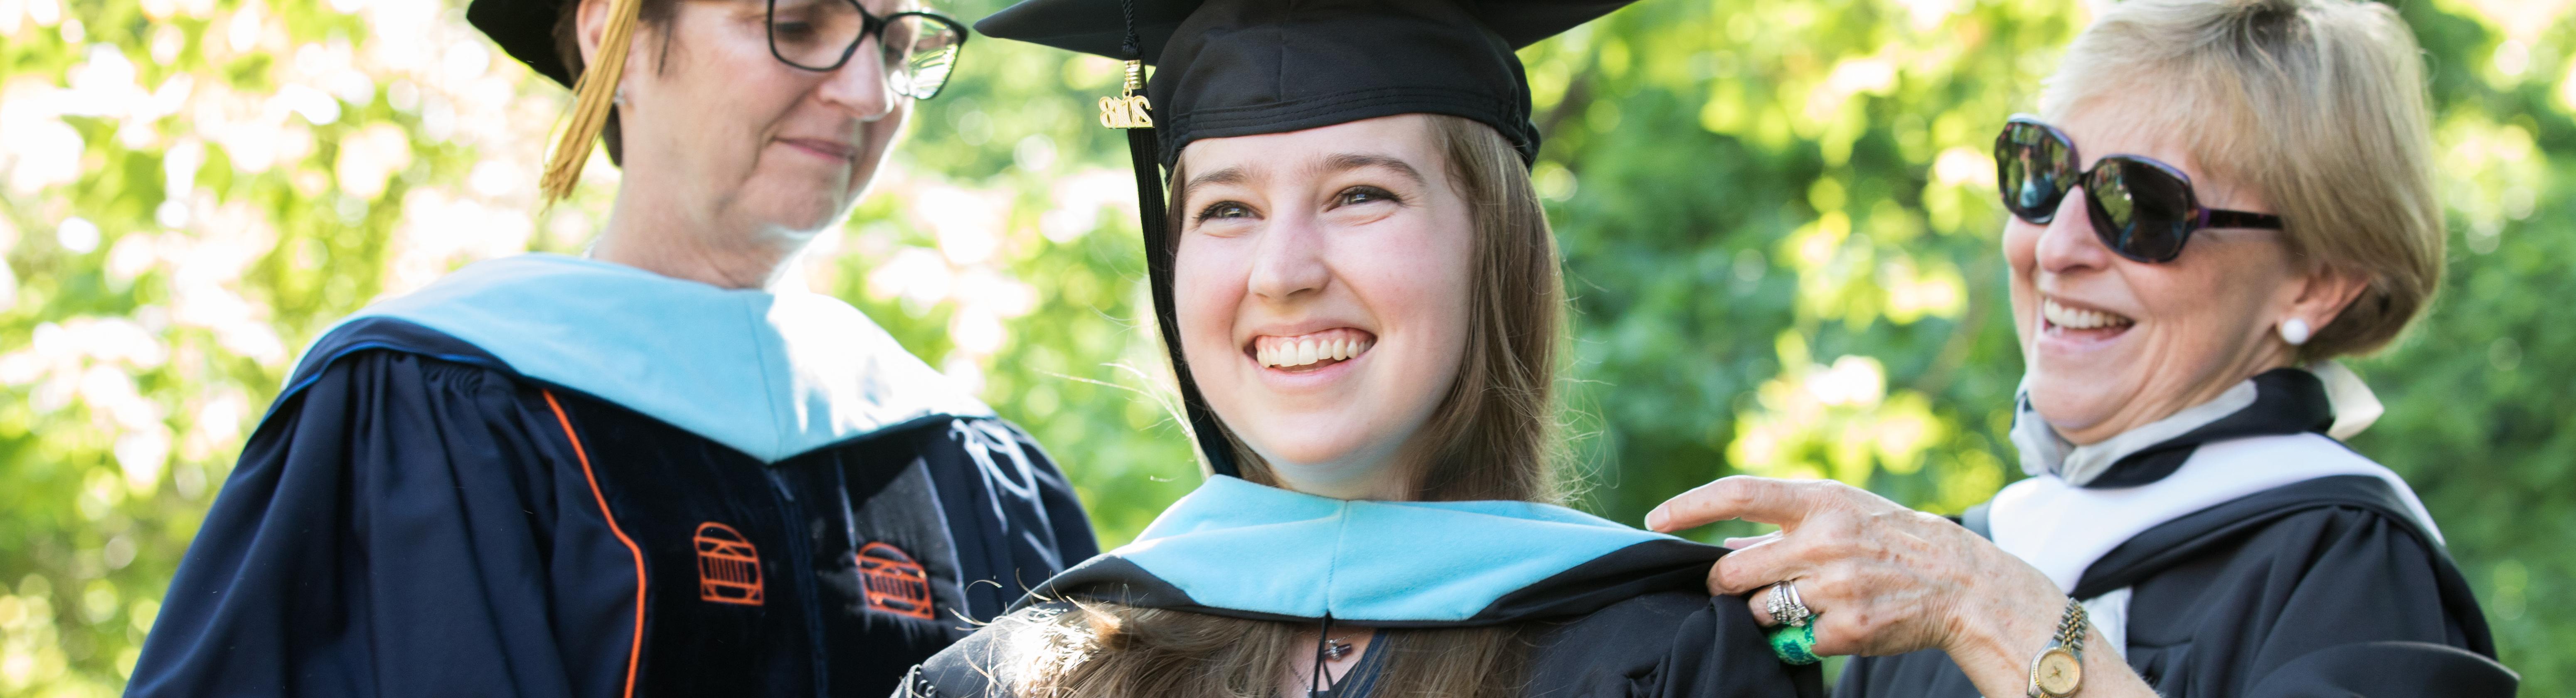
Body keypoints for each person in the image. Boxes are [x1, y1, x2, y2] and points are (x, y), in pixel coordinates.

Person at [126, 0, 1096, 696]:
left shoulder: (967, 463)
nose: (867, 91)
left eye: (895, 42)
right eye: (797, 27)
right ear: (617, 39)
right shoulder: (436, 404)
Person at [893, 1, 1822, 697]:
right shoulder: (1013, 678)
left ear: (1493, 253)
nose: (1282, 271)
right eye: (1226, 209)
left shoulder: (1668, 660)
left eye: (1361, 195)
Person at [1645, 0, 2518, 696]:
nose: (2054, 247)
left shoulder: (2355, 574)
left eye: (2139, 205)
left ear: (2319, 282)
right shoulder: (1949, 566)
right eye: (2043, 176)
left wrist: (1990, 610)